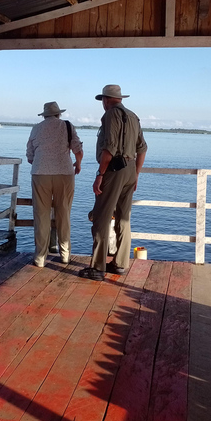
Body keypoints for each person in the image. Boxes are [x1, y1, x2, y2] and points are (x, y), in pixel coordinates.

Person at [80, 85, 147, 281]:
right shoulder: (133, 116)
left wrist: (100, 174)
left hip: (114, 170)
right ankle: (119, 264)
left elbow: (109, 148)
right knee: (123, 218)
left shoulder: (110, 115)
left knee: (101, 217)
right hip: (130, 170)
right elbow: (142, 148)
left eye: (103, 100)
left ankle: (98, 268)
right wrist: (136, 174)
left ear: (106, 100)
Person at [26, 101, 83, 267]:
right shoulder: (67, 126)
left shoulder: (36, 128)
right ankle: (65, 255)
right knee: (63, 213)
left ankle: (40, 258)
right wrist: (78, 164)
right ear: (59, 114)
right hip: (64, 173)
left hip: (40, 174)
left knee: (41, 215)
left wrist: (43, 164)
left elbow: (30, 155)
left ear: (44, 115)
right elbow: (77, 150)